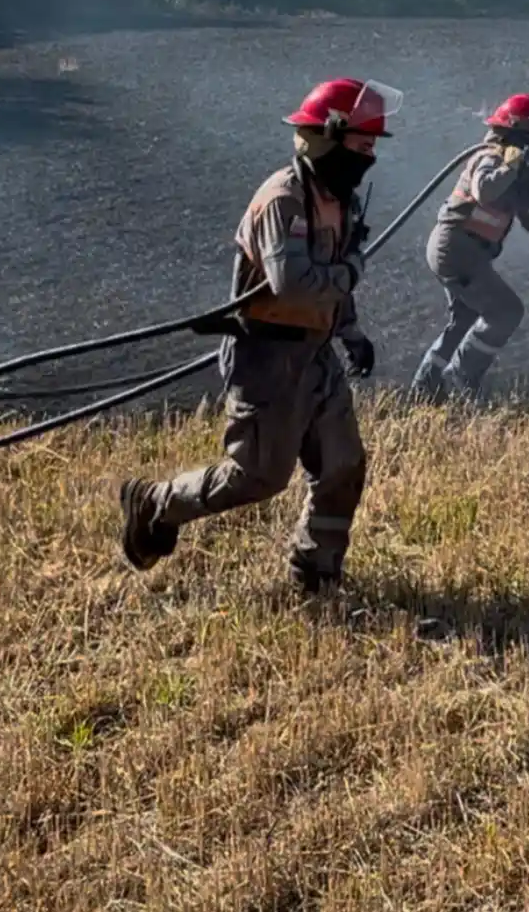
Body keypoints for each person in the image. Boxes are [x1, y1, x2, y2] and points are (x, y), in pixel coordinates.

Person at [117, 76, 399, 594]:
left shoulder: (340, 200)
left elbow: (332, 276)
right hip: (267, 359)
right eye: (361, 148)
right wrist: (352, 273)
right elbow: (292, 285)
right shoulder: (283, 201)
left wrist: (351, 331)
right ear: (327, 138)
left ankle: (315, 573)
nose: (369, 160)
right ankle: (155, 503)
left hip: (315, 354)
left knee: (343, 464)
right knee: (257, 478)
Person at [409, 92, 529, 402]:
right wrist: (509, 166)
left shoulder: (519, 181)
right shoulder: (491, 156)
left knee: (465, 319)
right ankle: (462, 375)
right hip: (456, 248)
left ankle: (425, 389)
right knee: (506, 311)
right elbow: (484, 191)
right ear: (515, 134)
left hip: (461, 250)